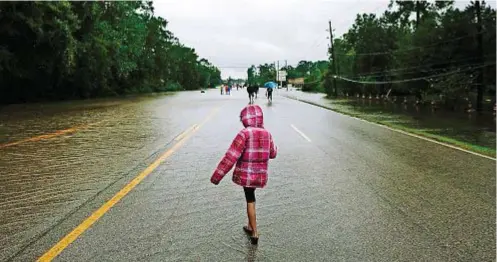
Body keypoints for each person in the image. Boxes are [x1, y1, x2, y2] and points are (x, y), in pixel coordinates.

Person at [210, 104, 277, 245]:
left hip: (247, 176)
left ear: (246, 119)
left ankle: (254, 231)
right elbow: (273, 154)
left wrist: (217, 176)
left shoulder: (244, 134)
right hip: (260, 175)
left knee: (250, 200)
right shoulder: (267, 133)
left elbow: (231, 156)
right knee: (251, 198)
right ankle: (249, 225)